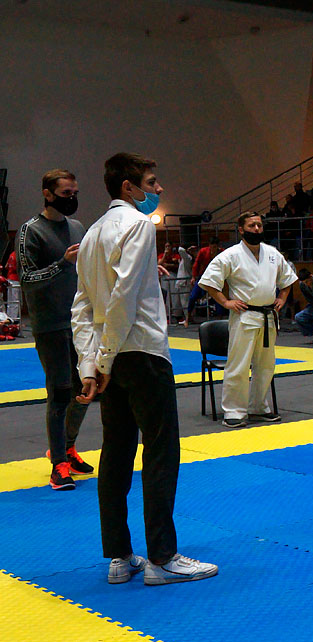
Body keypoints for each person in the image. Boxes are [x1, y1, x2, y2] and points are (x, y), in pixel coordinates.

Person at [72, 152, 218, 585]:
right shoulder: (136, 225)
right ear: (129, 188)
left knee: (116, 452)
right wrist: (103, 359)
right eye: (151, 182)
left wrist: (90, 366)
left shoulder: (92, 233)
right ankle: (162, 558)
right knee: (160, 451)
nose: (158, 189)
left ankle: (119, 556)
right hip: (140, 352)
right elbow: (125, 297)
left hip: (111, 357)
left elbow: (82, 308)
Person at [17, 169, 93, 490]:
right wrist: (62, 263)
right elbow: (27, 279)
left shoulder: (77, 227)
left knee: (86, 389)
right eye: (65, 194)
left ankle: (68, 448)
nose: (71, 198)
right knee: (60, 392)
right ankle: (58, 463)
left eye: (75, 193)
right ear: (47, 194)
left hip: (81, 321)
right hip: (50, 324)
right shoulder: (30, 231)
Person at [198, 212, 297, 428]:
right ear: (241, 229)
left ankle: (258, 407)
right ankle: (234, 411)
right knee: (239, 365)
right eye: (252, 225)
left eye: (259, 225)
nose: (257, 229)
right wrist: (226, 302)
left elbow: (288, 279)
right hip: (244, 316)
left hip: (268, 316)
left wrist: (282, 298)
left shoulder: (272, 253)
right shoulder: (230, 255)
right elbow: (209, 282)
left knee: (266, 366)